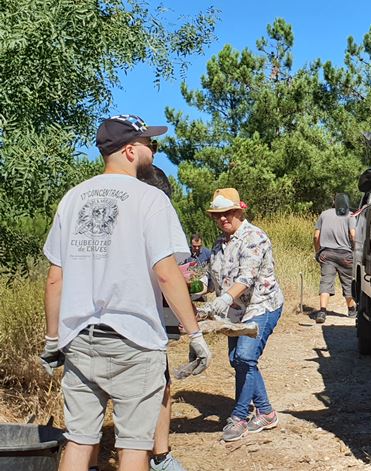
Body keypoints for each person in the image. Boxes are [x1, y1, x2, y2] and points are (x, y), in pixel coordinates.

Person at [39, 114, 211, 471]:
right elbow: (166, 274)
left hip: (80, 339)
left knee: (79, 440)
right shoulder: (150, 199)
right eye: (150, 144)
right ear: (131, 150)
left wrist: (52, 339)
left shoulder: (72, 199)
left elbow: (56, 277)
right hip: (134, 340)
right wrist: (195, 334)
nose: (154, 150)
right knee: (134, 446)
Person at [201, 188, 284, 442]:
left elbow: (246, 278)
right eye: (217, 215)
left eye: (227, 213)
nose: (222, 219)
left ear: (239, 211)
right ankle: (267, 413)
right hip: (236, 313)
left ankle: (239, 418)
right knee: (236, 359)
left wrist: (225, 298)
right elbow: (211, 278)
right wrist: (196, 288)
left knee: (245, 357)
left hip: (261, 306)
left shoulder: (254, 237)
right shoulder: (218, 244)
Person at [313, 193, 357, 324]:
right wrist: (354, 251)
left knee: (326, 282)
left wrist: (318, 252)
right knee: (348, 282)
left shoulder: (324, 214)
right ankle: (351, 309)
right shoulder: (350, 215)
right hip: (345, 255)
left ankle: (322, 311)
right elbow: (353, 235)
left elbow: (316, 236)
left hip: (326, 254)